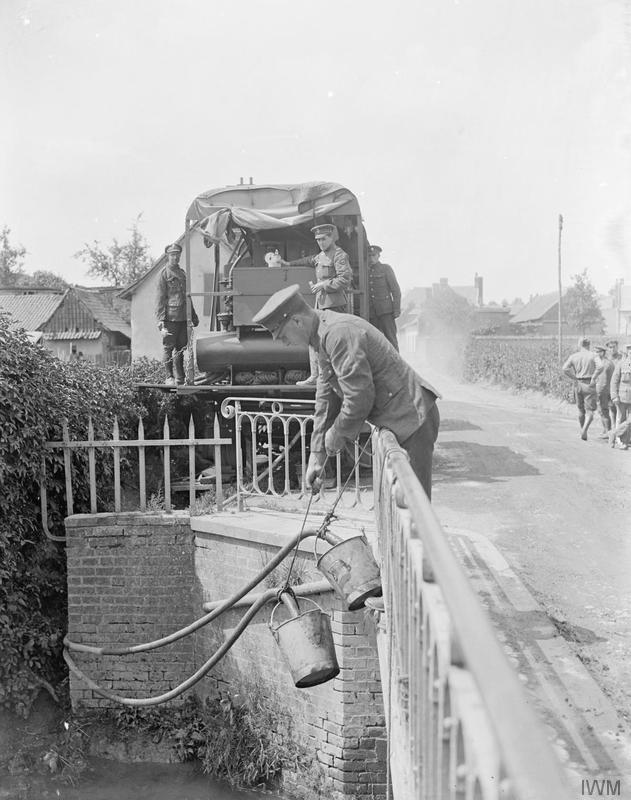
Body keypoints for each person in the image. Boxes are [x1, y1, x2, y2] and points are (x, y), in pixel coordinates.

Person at [251, 284, 441, 499]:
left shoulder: (338, 333)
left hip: (412, 418)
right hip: (399, 417)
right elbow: (325, 397)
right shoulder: (320, 335)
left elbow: (359, 397)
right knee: (402, 507)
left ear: (296, 321)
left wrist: (336, 433)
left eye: (283, 336)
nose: (284, 343)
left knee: (414, 509)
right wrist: (317, 453)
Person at [281, 224, 352, 386]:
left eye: (323, 239)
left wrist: (323, 285)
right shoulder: (320, 256)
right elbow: (307, 260)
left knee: (332, 342)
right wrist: (288, 264)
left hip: (335, 307)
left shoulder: (340, 255)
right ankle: (316, 376)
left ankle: (331, 378)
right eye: (318, 240)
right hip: (321, 306)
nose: (320, 242)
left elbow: (344, 279)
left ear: (331, 238)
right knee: (313, 338)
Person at [155, 243, 199, 385]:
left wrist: (193, 315)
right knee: (168, 347)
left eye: (177, 254)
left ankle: (180, 377)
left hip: (183, 317)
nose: (175, 257)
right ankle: (169, 377)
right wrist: (160, 319)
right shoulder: (164, 274)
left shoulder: (182, 273)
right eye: (172, 255)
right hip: (170, 318)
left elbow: (188, 297)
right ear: (167, 256)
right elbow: (160, 298)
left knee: (181, 348)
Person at [367, 245, 401, 351]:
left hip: (386, 311)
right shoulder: (366, 271)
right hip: (372, 314)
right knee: (375, 342)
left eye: (374, 255)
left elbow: (396, 290)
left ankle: (396, 366)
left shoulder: (385, 269)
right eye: (369, 256)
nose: (371, 258)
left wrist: (396, 309)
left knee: (391, 341)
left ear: (378, 256)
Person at [562, 337, 597, 440]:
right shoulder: (593, 355)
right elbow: (600, 367)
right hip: (589, 382)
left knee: (581, 410)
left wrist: (574, 377)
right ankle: (584, 430)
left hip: (578, 383)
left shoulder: (574, 356)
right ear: (588, 344)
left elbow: (565, 369)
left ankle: (582, 430)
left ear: (579, 345)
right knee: (590, 410)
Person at [609, 342, 631, 450]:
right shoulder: (621, 364)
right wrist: (614, 396)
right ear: (627, 351)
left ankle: (614, 433)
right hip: (622, 397)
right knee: (622, 419)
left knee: (629, 421)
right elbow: (614, 381)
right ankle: (623, 442)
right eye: (630, 350)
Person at [590, 344, 614, 438]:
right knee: (604, 411)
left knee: (603, 411)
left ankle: (607, 432)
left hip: (603, 391)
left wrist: (598, 393)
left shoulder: (604, 364)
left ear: (602, 353)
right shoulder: (607, 362)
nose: (595, 353)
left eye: (597, 352)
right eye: (595, 351)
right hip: (606, 390)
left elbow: (603, 381)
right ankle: (606, 431)